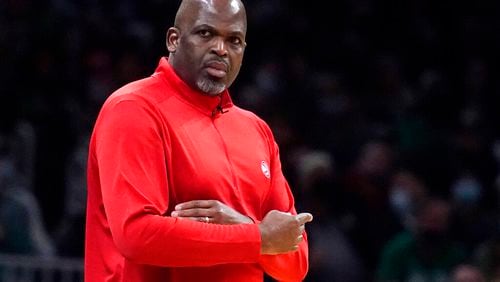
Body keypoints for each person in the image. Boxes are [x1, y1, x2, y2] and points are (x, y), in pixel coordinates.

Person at [84, 0, 313, 281]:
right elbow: (136, 234)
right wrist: (257, 238)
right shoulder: (133, 109)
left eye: (234, 40)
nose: (221, 49)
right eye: (206, 33)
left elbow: (295, 260)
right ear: (173, 40)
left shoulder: (256, 130)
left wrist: (247, 228)